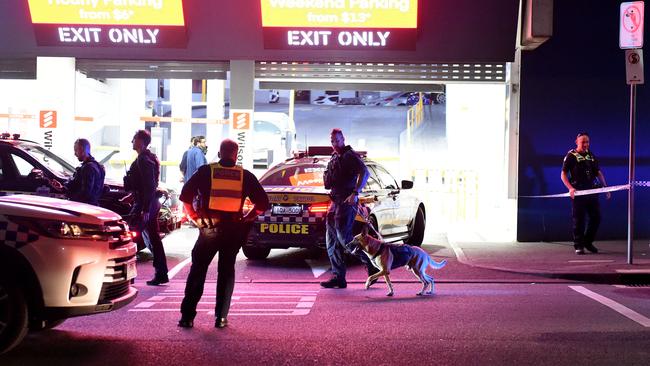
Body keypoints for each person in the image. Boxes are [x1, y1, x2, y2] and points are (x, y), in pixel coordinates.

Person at [178, 139, 269, 329]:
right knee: (226, 272)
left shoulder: (206, 171)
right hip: (233, 231)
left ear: (219, 154)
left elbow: (185, 195)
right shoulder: (245, 176)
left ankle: (187, 317)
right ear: (236, 155)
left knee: (198, 271)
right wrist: (247, 217)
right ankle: (221, 318)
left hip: (209, 229)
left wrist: (195, 217)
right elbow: (262, 205)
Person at [320, 128, 379, 289]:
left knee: (345, 240)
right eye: (332, 141)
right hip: (335, 203)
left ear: (343, 139)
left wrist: (355, 193)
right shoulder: (335, 157)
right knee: (331, 242)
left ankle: (371, 264)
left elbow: (365, 172)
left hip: (346, 203)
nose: (334, 144)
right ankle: (339, 277)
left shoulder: (350, 156)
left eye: (337, 140)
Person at [124, 130, 169, 285]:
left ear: (142, 142)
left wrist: (144, 209)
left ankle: (127, 276)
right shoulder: (148, 158)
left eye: (134, 139)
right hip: (148, 203)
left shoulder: (144, 160)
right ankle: (161, 273)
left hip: (145, 204)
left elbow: (149, 186)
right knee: (154, 239)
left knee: (127, 237)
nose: (132, 141)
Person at [561, 132, 610, 255]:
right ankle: (579, 245)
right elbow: (563, 174)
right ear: (576, 142)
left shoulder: (591, 155)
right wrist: (570, 188)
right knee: (579, 220)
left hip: (592, 191)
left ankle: (588, 242)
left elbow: (598, 172)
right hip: (578, 193)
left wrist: (605, 187)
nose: (585, 144)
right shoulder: (571, 156)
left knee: (596, 218)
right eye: (583, 142)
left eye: (587, 142)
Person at [66, 138, 105, 206]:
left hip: (84, 207)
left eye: (76, 150)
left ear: (82, 149)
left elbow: (85, 193)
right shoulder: (97, 166)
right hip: (91, 206)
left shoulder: (88, 167)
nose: (75, 154)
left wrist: (69, 198)